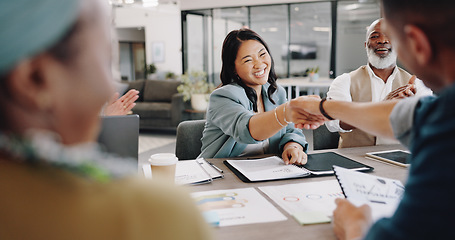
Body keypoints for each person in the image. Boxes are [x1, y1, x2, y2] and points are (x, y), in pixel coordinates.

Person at [0, 0, 212, 239]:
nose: (110, 85)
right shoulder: (155, 213)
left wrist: (103, 119)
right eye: (105, 59)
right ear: (35, 79)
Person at [288, 0, 455, 238]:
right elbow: (416, 115)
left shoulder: (444, 135)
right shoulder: (442, 110)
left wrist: (355, 224)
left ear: (416, 44)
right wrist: (324, 107)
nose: (384, 42)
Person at [199, 28, 318, 165]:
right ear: (233, 68)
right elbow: (246, 130)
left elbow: (291, 130)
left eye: (262, 54)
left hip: (267, 173)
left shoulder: (276, 93)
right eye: (248, 60)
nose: (259, 64)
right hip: (223, 175)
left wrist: (292, 146)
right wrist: (286, 112)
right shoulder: (222, 97)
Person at [325, 18, 433, 148]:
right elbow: (333, 122)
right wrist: (383, 107)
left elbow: (430, 122)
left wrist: (411, 109)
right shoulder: (344, 81)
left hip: (399, 159)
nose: (382, 41)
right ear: (366, 45)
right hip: (354, 159)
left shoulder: (417, 84)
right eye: (375, 36)